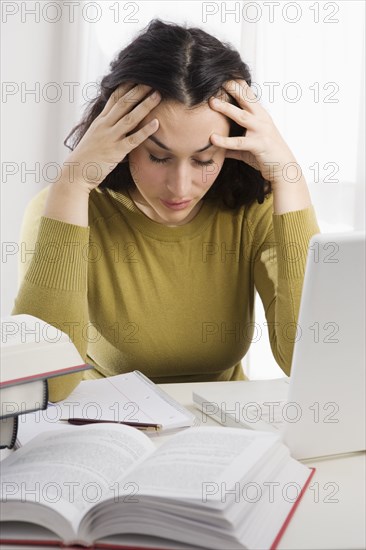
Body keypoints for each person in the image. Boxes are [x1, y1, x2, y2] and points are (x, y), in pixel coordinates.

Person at [13, 19, 320, 401]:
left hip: (222, 433)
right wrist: (72, 183)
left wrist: (289, 180)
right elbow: (44, 386)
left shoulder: (253, 210)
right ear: (120, 139)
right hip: (104, 429)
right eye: (158, 157)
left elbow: (312, 366)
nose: (180, 186)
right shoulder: (61, 208)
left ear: (233, 147)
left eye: (204, 159)